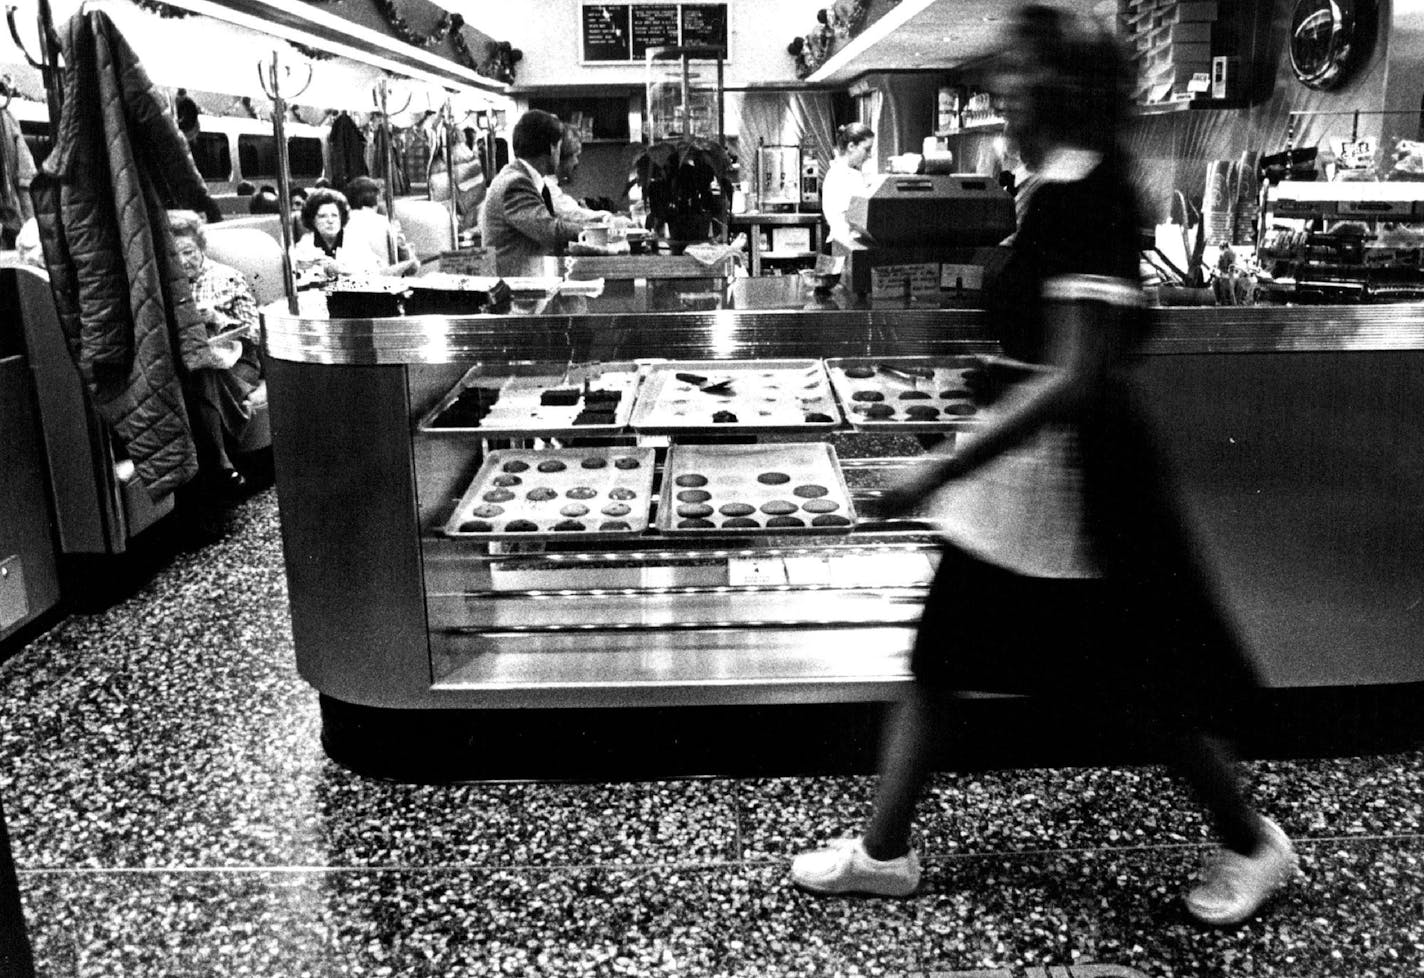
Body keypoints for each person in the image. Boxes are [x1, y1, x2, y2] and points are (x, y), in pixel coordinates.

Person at [789, 5, 1297, 929]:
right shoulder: (1055, 182)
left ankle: (1256, 844)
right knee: (940, 664)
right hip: (1020, 488)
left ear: (1059, 88)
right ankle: (884, 853)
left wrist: (937, 469)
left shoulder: (1084, 194)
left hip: (1068, 492)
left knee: (1140, 690)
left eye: (1017, 73)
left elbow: (1075, 375)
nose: (999, 88)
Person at [168, 210, 262, 498]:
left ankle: (219, 461)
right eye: (176, 255)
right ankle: (220, 466)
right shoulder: (168, 288)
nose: (184, 261)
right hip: (195, 363)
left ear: (201, 248)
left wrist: (217, 317)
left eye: (189, 252)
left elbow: (254, 332)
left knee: (202, 372)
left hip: (238, 359)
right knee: (201, 368)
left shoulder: (229, 277)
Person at [479, 109, 581, 277]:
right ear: (551, 148)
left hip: (526, 286)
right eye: (559, 146)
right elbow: (549, 230)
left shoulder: (524, 179)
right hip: (515, 293)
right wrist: (597, 231)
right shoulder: (515, 183)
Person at [290, 187, 381, 286]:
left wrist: (342, 270)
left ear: (341, 218)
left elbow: (373, 273)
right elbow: (298, 278)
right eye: (323, 216)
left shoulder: (356, 241)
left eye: (334, 215)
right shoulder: (304, 245)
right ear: (312, 220)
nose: (330, 221)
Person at [343, 175, 419, 276]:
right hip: (381, 279)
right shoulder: (385, 223)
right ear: (377, 197)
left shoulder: (342, 221)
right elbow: (409, 264)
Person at [820, 122, 874, 254]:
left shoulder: (846, 173)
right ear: (851, 146)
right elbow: (852, 220)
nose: (869, 155)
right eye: (866, 149)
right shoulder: (840, 176)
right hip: (844, 247)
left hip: (844, 246)